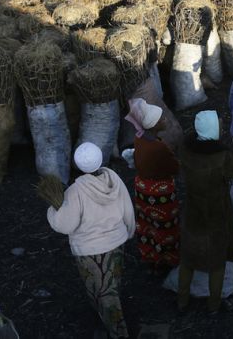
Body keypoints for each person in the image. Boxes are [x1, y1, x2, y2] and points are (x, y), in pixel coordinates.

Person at [47, 142, 135, 339]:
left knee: (101, 294)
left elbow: (65, 225)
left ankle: (118, 331)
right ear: (100, 159)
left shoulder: (75, 192)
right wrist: (128, 232)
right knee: (112, 286)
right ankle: (109, 320)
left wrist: (53, 211)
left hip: (90, 252)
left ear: (77, 165)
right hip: (117, 244)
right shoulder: (114, 180)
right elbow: (127, 208)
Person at [178, 111, 233, 314]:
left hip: (192, 213)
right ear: (213, 130)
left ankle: (182, 301)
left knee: (187, 260)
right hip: (216, 215)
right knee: (216, 263)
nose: (222, 127)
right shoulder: (222, 157)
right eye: (219, 125)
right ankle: (214, 305)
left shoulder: (186, 151)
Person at [126, 99, 179, 269]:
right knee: (165, 226)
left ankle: (150, 254)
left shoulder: (139, 138)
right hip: (159, 192)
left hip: (142, 189)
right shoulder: (158, 147)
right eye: (161, 119)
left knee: (147, 223)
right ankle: (165, 259)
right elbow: (174, 167)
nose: (165, 120)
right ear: (154, 126)